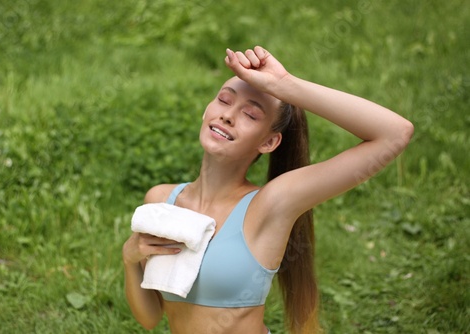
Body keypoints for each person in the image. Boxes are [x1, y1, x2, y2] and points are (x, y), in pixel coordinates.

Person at [122, 46, 414, 334]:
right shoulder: (162, 200)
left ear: (269, 142)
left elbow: (394, 133)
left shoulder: (270, 204)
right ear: (206, 110)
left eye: (250, 115)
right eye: (224, 100)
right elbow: (150, 318)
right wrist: (130, 258)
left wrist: (284, 85)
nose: (228, 116)